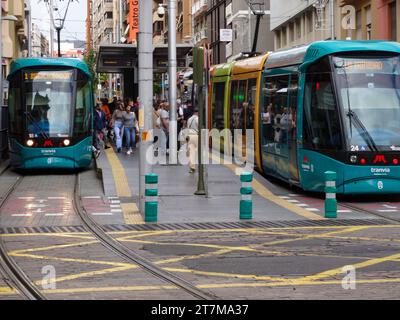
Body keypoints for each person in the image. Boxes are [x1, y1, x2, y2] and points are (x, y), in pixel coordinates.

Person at [186, 108, 199, 173]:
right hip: (196, 136)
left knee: (191, 152)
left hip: (189, 136)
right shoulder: (197, 119)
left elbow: (187, 127)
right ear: (197, 113)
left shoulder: (189, 119)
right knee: (197, 151)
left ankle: (192, 167)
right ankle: (199, 165)